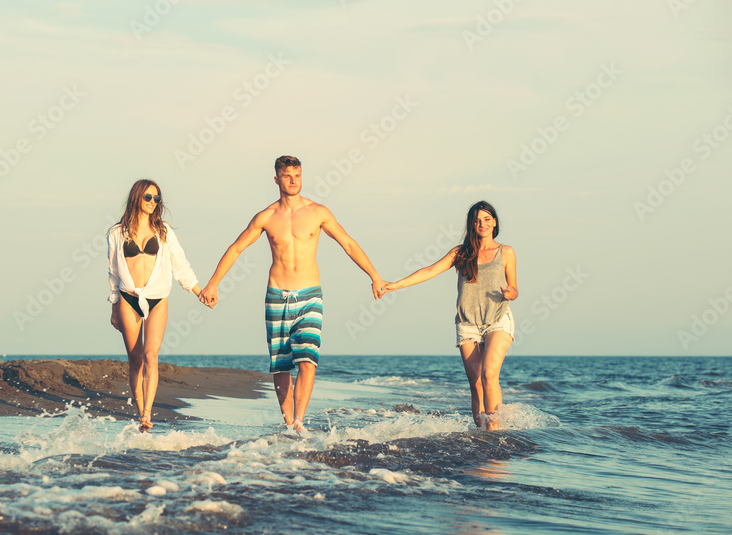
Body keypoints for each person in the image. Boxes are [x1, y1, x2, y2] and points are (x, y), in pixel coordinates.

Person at [198, 156, 386, 432]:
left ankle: (299, 421)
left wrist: (374, 275)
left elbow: (348, 243)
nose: (293, 180)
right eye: (287, 176)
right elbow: (236, 248)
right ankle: (289, 425)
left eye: (297, 175)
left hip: (310, 294)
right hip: (277, 295)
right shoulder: (266, 217)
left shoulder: (318, 212)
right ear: (276, 179)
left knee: (307, 360)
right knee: (281, 365)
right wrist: (213, 283)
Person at [378, 201, 517, 430]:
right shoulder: (461, 253)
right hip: (468, 324)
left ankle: (495, 432)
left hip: (498, 319)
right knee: (475, 384)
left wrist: (511, 293)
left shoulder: (506, 252)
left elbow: (514, 288)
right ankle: (482, 432)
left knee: (489, 374)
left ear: (494, 222)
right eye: (476, 220)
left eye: (486, 219)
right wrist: (395, 285)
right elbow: (430, 270)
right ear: (471, 225)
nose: (481, 224)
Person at [108, 179, 204, 432]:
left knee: (151, 355)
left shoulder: (164, 232)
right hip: (128, 298)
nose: (153, 203)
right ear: (137, 198)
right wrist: (114, 306)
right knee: (135, 358)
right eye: (148, 197)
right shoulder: (117, 233)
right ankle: (140, 409)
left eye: (157, 199)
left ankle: (147, 414)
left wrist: (198, 292)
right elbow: (113, 272)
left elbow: (180, 265)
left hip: (157, 298)